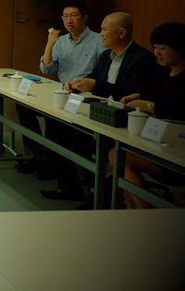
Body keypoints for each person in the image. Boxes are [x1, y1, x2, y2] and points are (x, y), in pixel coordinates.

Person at [43, 12, 157, 202]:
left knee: (77, 138)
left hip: (125, 120)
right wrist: (78, 84)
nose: (101, 34)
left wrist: (95, 85)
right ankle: (73, 186)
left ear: (121, 33)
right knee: (57, 125)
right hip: (102, 113)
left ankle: (98, 191)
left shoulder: (142, 59)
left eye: (105, 30)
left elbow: (131, 95)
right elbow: (95, 78)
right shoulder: (106, 56)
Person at [15, 1, 103, 177]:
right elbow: (47, 69)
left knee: (53, 117)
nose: (69, 20)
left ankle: (53, 163)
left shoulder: (98, 41)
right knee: (23, 106)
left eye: (74, 16)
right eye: (65, 16)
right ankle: (39, 155)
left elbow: (102, 74)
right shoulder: (61, 41)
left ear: (84, 18)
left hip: (85, 95)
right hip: (63, 91)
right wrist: (50, 43)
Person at [109, 22, 185, 208]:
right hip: (159, 141)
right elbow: (156, 96)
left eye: (163, 48)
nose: (157, 53)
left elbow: (176, 110)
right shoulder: (163, 73)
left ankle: (144, 212)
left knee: (119, 158)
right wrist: (139, 97)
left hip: (178, 148)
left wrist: (149, 106)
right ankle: (137, 211)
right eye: (155, 48)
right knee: (116, 156)